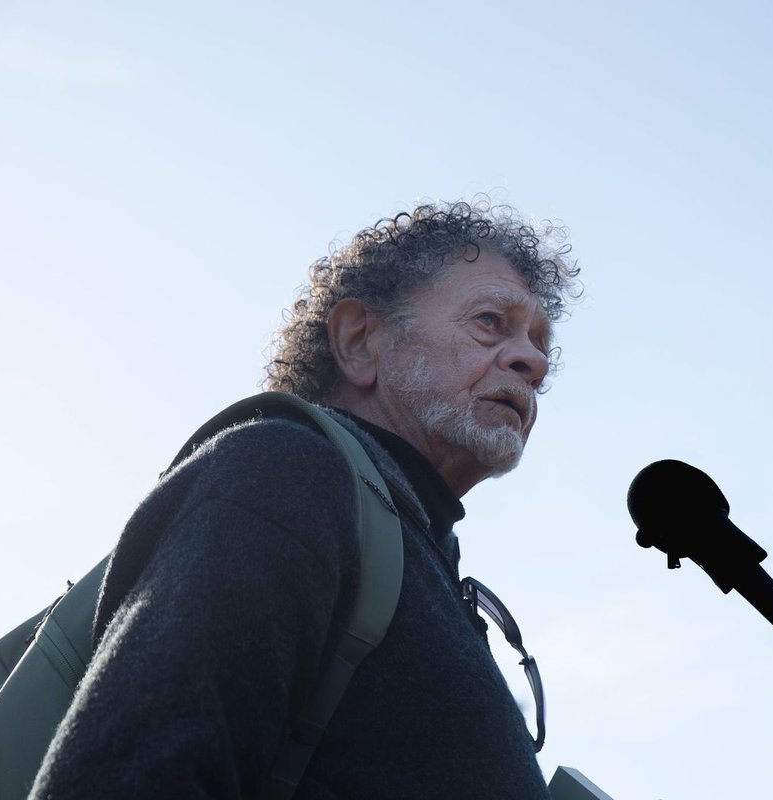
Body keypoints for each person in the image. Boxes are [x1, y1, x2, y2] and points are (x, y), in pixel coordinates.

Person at [29, 199, 581, 799]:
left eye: (539, 342)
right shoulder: (285, 474)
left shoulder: (415, 553)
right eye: (491, 321)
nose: (532, 361)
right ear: (360, 342)